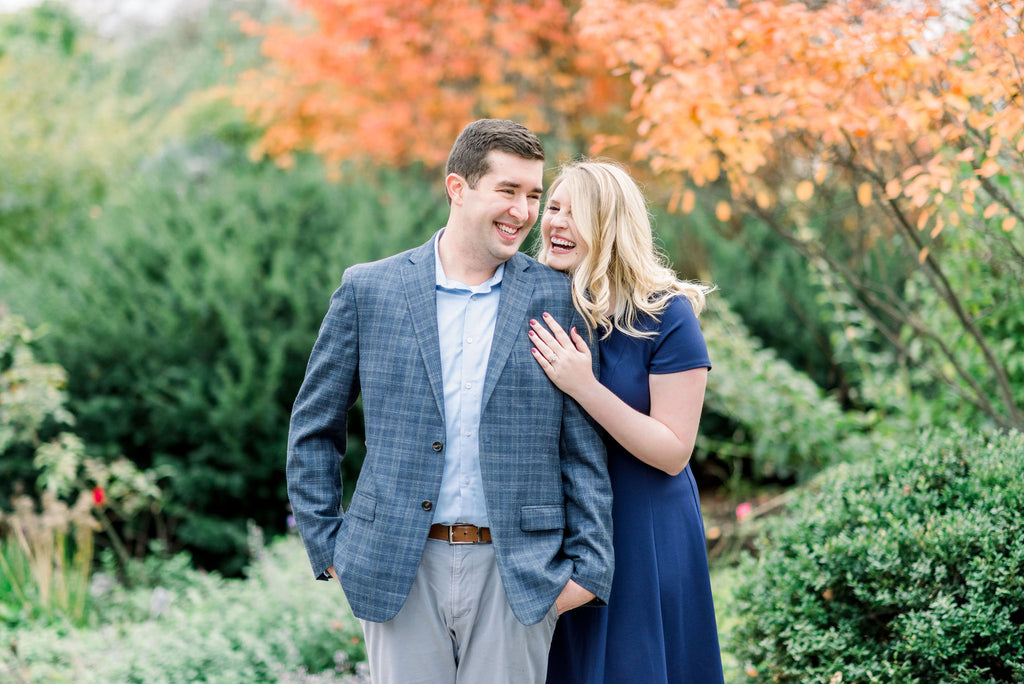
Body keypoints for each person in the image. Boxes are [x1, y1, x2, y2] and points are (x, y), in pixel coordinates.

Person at [286, 120, 614, 684]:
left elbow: (580, 444)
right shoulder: (370, 290)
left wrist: (588, 568)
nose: (524, 211)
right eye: (507, 191)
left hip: (518, 573)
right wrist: (331, 547)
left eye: (534, 195)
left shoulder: (557, 298)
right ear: (458, 188)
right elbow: (314, 426)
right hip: (397, 567)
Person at [528, 160, 725, 683]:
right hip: (560, 530)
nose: (555, 223)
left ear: (610, 225)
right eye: (553, 208)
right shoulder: (535, 305)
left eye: (577, 213)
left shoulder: (666, 315)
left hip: (644, 526)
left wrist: (584, 385)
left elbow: (673, 449)